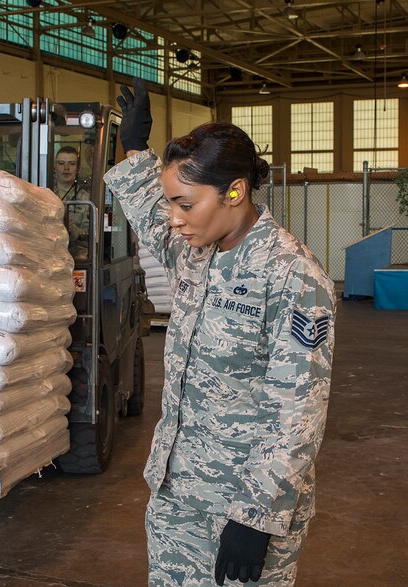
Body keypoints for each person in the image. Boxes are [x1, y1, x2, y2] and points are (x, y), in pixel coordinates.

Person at [104, 79, 336, 586]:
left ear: (236, 191)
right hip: (177, 489)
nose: (174, 218)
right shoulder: (192, 250)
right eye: (172, 203)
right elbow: (147, 210)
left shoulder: (290, 275)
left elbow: (297, 409)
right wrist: (136, 150)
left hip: (243, 504)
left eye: (185, 204)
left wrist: (255, 518)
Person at [53, 145, 91, 259]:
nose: (66, 168)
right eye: (61, 163)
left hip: (76, 254)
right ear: (55, 166)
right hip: (49, 252)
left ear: (77, 168)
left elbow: (91, 234)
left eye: (71, 163)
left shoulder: (85, 198)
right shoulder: (45, 194)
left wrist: (74, 230)